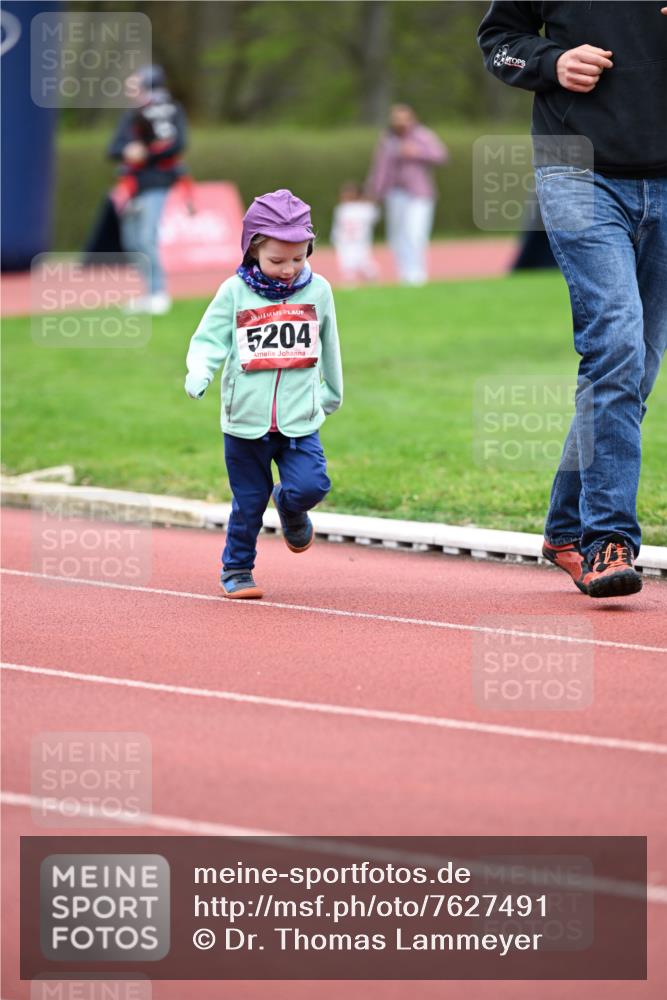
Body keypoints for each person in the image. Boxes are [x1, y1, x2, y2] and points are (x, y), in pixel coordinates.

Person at [478, 2, 667, 599]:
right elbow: (498, 41)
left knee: (635, 367)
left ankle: (565, 529)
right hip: (576, 170)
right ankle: (608, 539)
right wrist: (551, 61)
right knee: (617, 344)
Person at [184, 189, 344, 599]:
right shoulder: (234, 292)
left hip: (299, 420)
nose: (289, 269)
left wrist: (333, 391)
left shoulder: (319, 291)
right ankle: (237, 568)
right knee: (249, 502)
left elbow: (329, 343)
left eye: (298, 258)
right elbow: (209, 339)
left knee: (312, 486)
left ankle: (289, 506)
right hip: (244, 422)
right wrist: (199, 371)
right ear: (253, 249)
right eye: (277, 260)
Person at [108, 64, 188, 314]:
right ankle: (148, 292)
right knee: (132, 240)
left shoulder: (170, 110)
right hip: (132, 186)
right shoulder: (132, 115)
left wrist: (147, 154)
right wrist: (128, 151)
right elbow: (113, 148)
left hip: (157, 183)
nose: (130, 89)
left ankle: (158, 293)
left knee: (146, 237)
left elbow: (178, 143)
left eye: (135, 84)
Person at [366, 104, 447, 286]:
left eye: (404, 119)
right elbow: (380, 168)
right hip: (395, 193)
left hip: (419, 193)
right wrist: (374, 192)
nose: (400, 123)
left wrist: (417, 152)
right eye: (396, 119)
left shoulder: (422, 135)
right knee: (397, 236)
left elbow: (441, 156)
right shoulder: (387, 140)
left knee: (415, 233)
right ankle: (404, 275)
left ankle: (417, 275)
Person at [330, 182, 380, 285]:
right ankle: (370, 282)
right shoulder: (365, 208)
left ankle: (360, 282)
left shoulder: (342, 209)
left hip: (353, 242)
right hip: (350, 242)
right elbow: (375, 213)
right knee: (355, 265)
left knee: (359, 265)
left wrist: (334, 238)